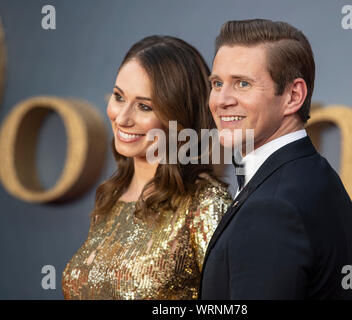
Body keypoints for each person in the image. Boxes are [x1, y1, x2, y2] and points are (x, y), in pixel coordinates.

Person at [200, 19, 352, 299]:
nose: (221, 100)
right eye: (217, 83)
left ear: (293, 95)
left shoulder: (272, 208)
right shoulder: (316, 175)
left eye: (242, 83)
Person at [62, 35, 232, 300]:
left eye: (144, 106)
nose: (122, 117)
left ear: (178, 117)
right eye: (119, 97)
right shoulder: (112, 196)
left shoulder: (205, 204)